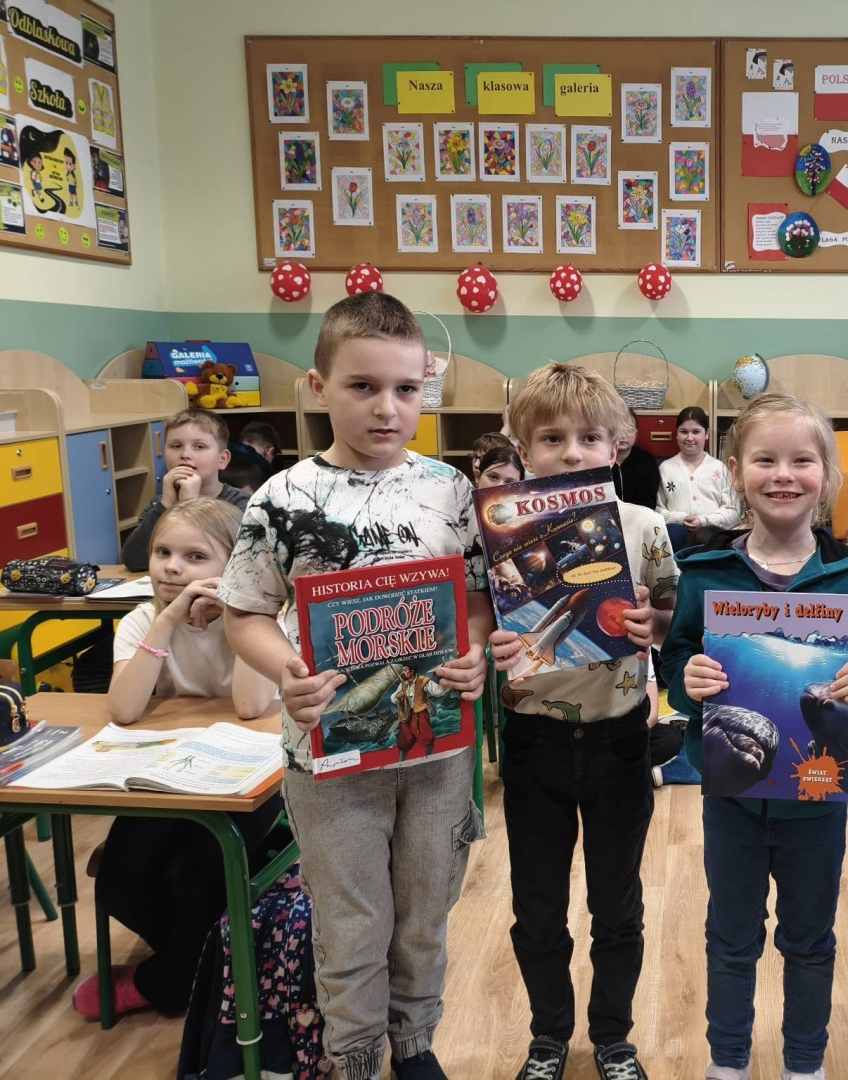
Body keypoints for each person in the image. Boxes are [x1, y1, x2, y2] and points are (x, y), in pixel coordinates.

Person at [220, 293, 491, 1080]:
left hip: (436, 752)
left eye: (406, 389)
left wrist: (474, 652)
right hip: (330, 760)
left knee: (425, 916)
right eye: (362, 386)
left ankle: (414, 1045)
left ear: (426, 388)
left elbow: (476, 601)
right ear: (318, 387)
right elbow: (245, 612)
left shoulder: (450, 488)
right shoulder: (280, 497)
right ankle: (354, 1058)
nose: (386, 408)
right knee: (351, 924)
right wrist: (287, 672)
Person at [661, 393, 848, 1080]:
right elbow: (677, 664)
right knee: (730, 935)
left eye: (802, 461)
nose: (783, 475)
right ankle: (728, 1059)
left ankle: (804, 1062)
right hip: (730, 797)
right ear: (735, 471)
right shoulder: (705, 573)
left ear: (828, 475)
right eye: (765, 460)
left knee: (809, 938)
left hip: (816, 800)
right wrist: (687, 680)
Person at [490, 363, 677, 1080]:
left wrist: (654, 625)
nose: (572, 452)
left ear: (617, 445)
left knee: (617, 905)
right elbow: (481, 622)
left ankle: (613, 1037)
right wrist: (490, 643)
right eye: (552, 439)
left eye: (589, 437)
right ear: (523, 449)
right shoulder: (501, 529)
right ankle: (548, 1036)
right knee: (537, 907)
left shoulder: (643, 525)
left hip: (618, 737)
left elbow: (673, 616)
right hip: (533, 738)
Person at [72, 498, 279, 1022]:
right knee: (119, 878)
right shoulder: (142, 620)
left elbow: (252, 706)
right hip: (169, 776)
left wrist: (238, 615)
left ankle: (169, 982)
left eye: (195, 557)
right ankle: (210, 970)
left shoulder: (265, 621)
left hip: (252, 782)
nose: (172, 567)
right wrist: (164, 623)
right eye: (163, 552)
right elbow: (124, 709)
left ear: (234, 565)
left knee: (199, 870)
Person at [122, 408, 250, 570]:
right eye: (176, 446)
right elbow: (133, 561)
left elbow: (222, 562)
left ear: (222, 459)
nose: (185, 454)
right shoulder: (160, 503)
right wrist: (165, 506)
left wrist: (190, 506)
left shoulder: (242, 505)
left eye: (199, 446)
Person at [658, 406, 740, 551]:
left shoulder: (719, 468)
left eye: (696, 432)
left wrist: (704, 521)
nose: (690, 438)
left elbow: (733, 512)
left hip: (713, 541)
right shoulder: (666, 468)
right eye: (684, 432)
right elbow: (657, 510)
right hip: (676, 541)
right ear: (676, 434)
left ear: (706, 434)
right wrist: (681, 518)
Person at [613, 409, 662, 510]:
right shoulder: (599, 461)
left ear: (636, 433)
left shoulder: (647, 461)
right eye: (618, 429)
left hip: (639, 517)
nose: (623, 435)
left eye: (629, 429)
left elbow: (649, 503)